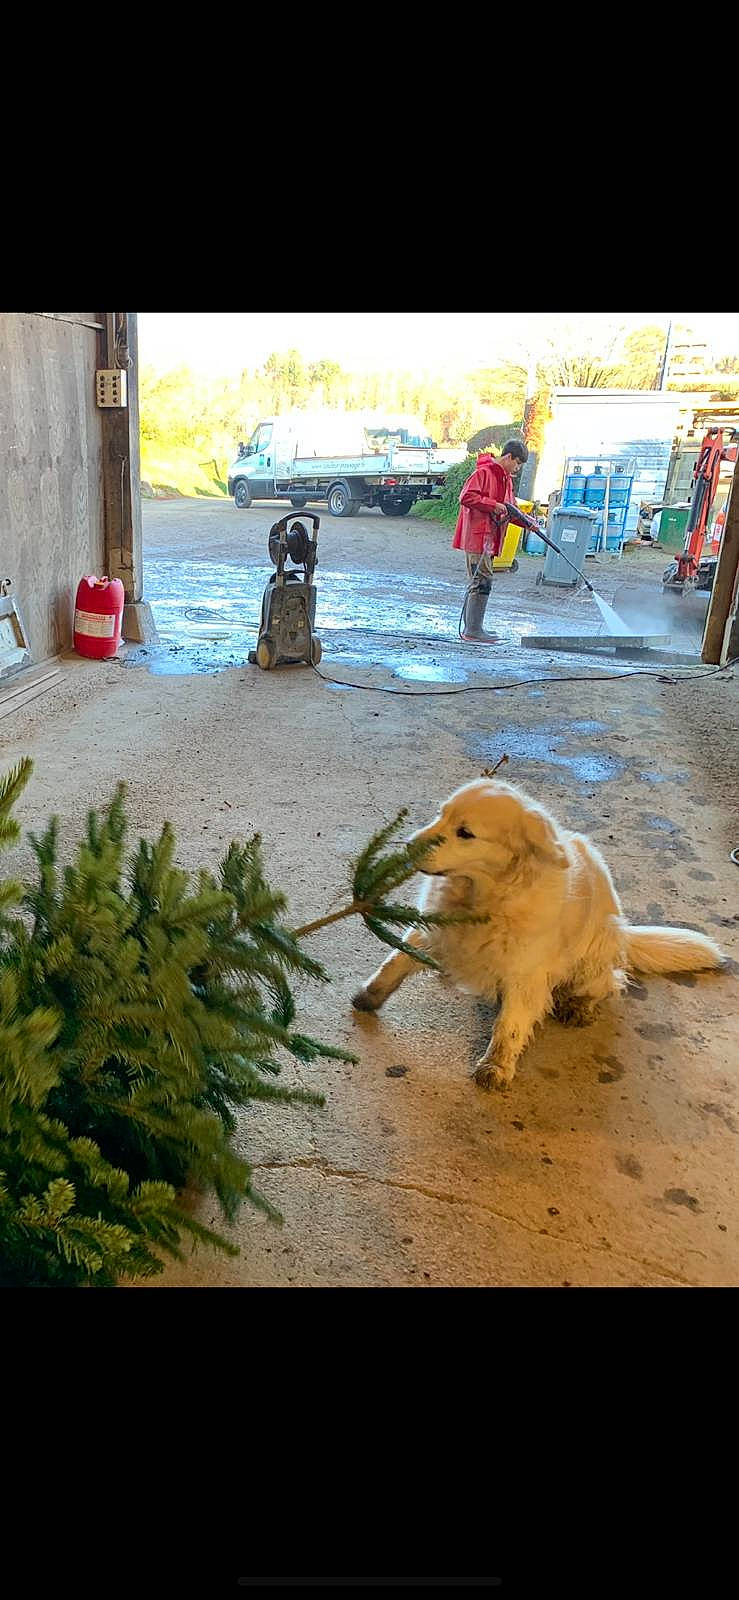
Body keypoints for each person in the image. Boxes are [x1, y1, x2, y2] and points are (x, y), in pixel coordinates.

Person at [452, 439, 529, 643]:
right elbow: (466, 497)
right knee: (481, 580)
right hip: (477, 536)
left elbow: (510, 509)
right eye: (517, 463)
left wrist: (529, 523)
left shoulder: (506, 480)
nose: (517, 468)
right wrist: (493, 505)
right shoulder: (483, 473)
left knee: (482, 580)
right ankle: (473, 630)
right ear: (509, 457)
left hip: (490, 538)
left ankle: (473, 627)